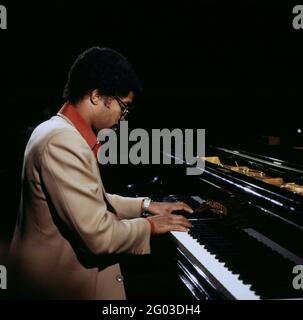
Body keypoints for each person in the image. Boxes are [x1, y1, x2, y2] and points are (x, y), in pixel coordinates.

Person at [7, 47, 193, 299]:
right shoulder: (63, 141)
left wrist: (147, 205)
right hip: (59, 285)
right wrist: (149, 226)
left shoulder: (56, 129)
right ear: (96, 96)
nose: (123, 118)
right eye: (123, 107)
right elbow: (98, 236)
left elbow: (94, 199)